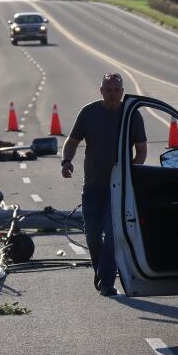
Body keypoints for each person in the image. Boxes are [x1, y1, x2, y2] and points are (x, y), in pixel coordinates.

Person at [61, 72, 147, 296]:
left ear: (122, 91)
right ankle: (100, 272)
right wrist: (66, 162)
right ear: (101, 91)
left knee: (112, 235)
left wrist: (131, 173)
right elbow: (72, 141)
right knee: (92, 235)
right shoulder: (89, 113)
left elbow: (141, 150)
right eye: (108, 90)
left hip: (118, 190)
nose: (112, 94)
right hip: (92, 187)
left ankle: (107, 282)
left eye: (116, 90)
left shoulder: (131, 116)